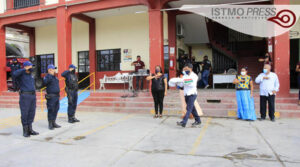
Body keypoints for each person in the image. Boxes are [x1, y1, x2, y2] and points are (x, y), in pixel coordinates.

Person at [13, 61, 39, 137]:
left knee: (32, 112)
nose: (32, 68)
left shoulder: (31, 75)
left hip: (32, 96)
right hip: (25, 96)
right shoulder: (21, 74)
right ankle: (25, 130)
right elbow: (14, 74)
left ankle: (30, 129)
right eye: (30, 66)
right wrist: (24, 69)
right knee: (25, 113)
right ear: (26, 67)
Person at [176, 63, 201, 128]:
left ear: (190, 69)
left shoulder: (194, 76)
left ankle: (184, 122)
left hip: (192, 94)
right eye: (184, 69)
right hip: (186, 94)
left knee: (189, 108)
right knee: (192, 108)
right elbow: (182, 84)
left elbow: (191, 84)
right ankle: (198, 120)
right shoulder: (185, 75)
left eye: (186, 69)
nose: (185, 70)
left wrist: (183, 81)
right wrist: (178, 83)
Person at [43, 64, 61, 130]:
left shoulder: (55, 77)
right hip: (51, 96)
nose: (54, 70)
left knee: (56, 109)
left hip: (56, 96)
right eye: (52, 69)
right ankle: (50, 124)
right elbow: (44, 83)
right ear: (49, 70)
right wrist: (50, 75)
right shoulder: (47, 77)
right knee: (51, 110)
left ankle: (54, 122)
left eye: (54, 69)